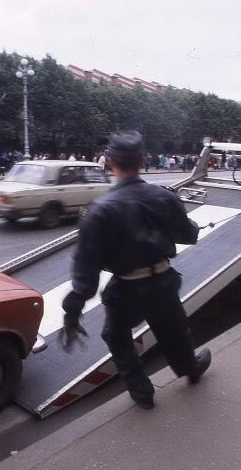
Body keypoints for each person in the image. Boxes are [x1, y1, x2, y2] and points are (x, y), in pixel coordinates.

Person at [60, 130, 211, 410]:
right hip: (163, 282)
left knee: (116, 337)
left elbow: (86, 270)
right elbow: (189, 235)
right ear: (142, 161)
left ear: (109, 162)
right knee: (174, 332)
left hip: (125, 290)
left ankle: (142, 393)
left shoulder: (99, 210)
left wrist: (72, 311)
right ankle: (190, 369)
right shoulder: (164, 196)